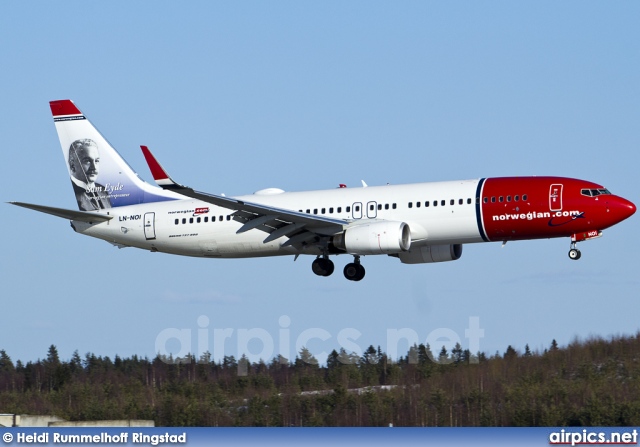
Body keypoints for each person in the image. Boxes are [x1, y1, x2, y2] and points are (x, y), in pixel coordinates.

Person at [68, 139, 112, 211]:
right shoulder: (71, 192)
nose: (94, 167)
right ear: (72, 165)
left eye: (97, 161)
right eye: (87, 161)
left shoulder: (103, 190)